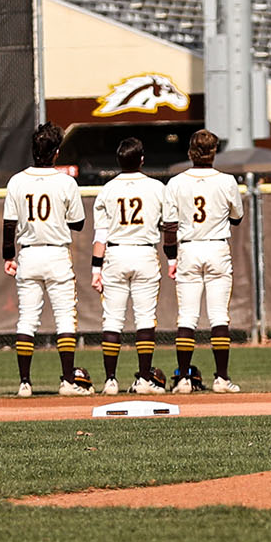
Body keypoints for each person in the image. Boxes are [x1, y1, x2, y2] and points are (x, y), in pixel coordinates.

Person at [4, 122, 92, 398]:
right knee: (65, 319)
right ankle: (67, 381)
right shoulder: (66, 181)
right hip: (56, 252)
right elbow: (77, 223)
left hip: (28, 252)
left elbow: (9, 224)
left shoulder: (17, 180)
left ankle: (25, 384)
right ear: (55, 152)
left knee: (27, 320)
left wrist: (8, 256)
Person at [164, 130, 246, 394]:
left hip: (189, 247)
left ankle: (184, 379)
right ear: (214, 152)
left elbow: (170, 226)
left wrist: (171, 258)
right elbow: (237, 217)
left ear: (190, 152)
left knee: (187, 317)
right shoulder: (227, 181)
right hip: (216, 247)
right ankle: (221, 378)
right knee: (219, 316)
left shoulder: (176, 182)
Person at [92, 137, 174, 395]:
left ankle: (110, 381)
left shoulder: (107, 189)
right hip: (145, 253)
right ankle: (145, 379)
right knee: (145, 319)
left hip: (115, 254)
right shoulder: (157, 187)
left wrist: (96, 269)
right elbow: (169, 227)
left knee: (113, 320)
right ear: (141, 160)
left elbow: (100, 235)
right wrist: (172, 259)